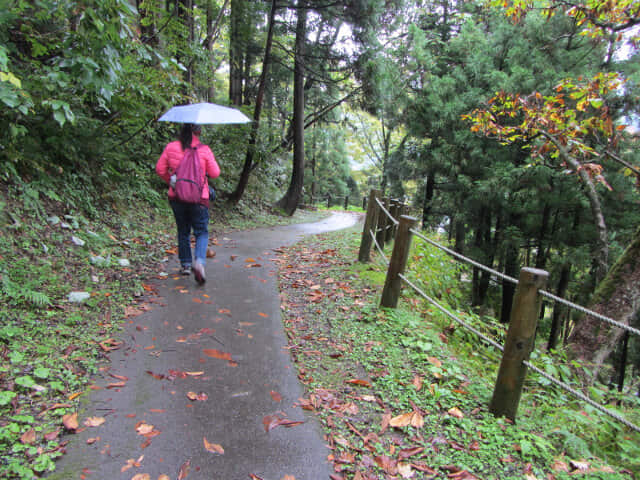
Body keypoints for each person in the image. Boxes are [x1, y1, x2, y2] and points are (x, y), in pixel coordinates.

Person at [155, 123, 220, 284]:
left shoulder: (171, 147)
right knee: (201, 232)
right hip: (199, 198)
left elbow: (160, 169)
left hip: (177, 197)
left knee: (183, 231)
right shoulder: (204, 149)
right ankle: (199, 262)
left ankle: (185, 264)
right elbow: (215, 173)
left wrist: (171, 181)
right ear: (198, 131)